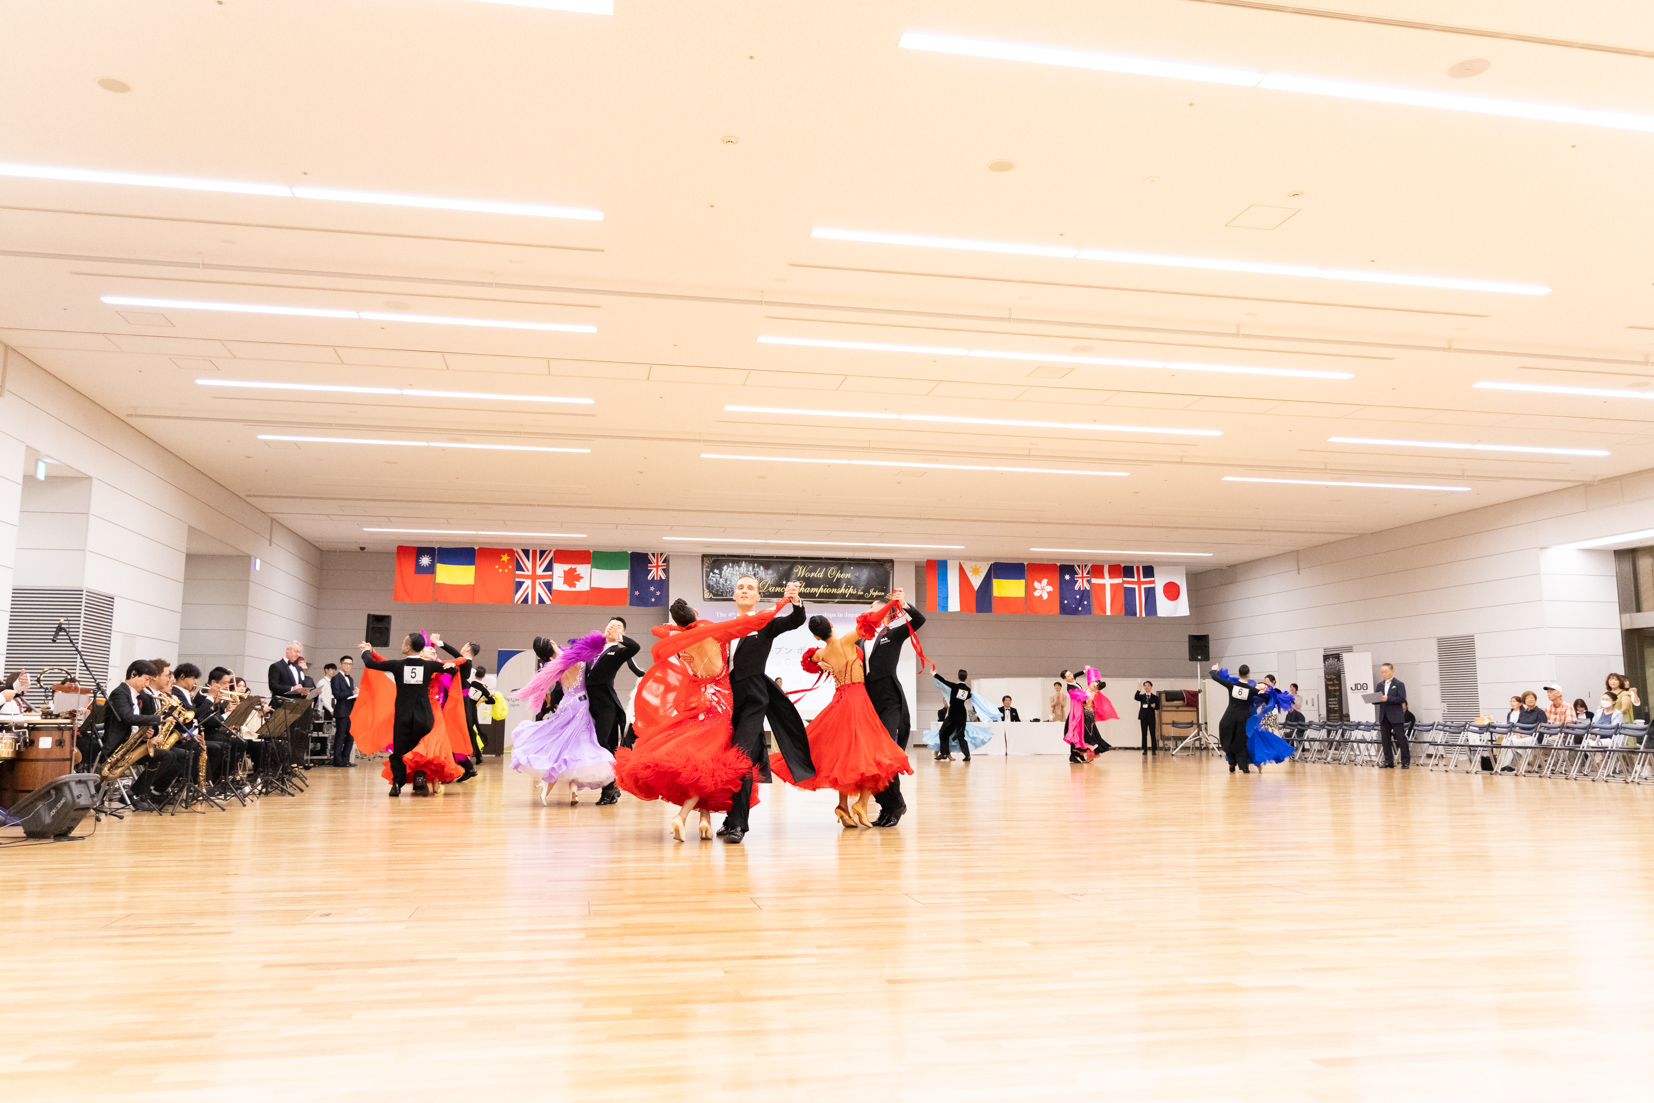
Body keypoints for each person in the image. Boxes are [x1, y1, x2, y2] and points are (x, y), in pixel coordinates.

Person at [618, 598, 778, 839]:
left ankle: (705, 820)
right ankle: (682, 816)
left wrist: (679, 628)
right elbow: (750, 624)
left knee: (700, 763)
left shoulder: (681, 640)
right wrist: (782, 602)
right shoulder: (713, 632)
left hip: (698, 705)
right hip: (720, 708)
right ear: (695, 612)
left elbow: (656, 630)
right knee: (708, 766)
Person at [770, 610, 913, 828]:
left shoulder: (822, 653)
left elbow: (807, 660)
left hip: (838, 702)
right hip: (857, 701)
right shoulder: (846, 641)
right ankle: (861, 804)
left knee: (844, 755)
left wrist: (819, 663)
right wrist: (893, 604)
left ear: (816, 636)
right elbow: (870, 622)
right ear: (830, 623)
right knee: (871, 753)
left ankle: (843, 806)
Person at [722, 576, 814, 844]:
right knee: (724, 760)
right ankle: (730, 817)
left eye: (750, 588)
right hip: (726, 702)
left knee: (741, 757)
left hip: (753, 700)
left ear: (757, 597)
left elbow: (795, 620)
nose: (744, 591)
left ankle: (738, 825)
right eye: (740, 587)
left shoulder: (764, 623)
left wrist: (795, 600)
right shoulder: (725, 629)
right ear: (733, 595)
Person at [510, 634, 616, 804]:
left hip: (566, 703)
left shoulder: (554, 663)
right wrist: (606, 637)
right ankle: (555, 784)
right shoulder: (570, 657)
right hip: (579, 704)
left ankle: (572, 788)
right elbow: (591, 648)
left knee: (568, 744)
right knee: (578, 743)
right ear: (551, 642)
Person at [357, 634, 457, 797]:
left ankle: (397, 784)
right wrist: (451, 665)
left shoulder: (398, 665)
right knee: (420, 748)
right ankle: (419, 778)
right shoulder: (430, 665)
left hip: (403, 715)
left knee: (399, 751)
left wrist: (366, 651)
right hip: (425, 716)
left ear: (408, 647)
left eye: (404, 642)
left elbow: (370, 663)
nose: (402, 644)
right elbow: (453, 670)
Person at [859, 589, 924, 827]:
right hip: (868, 703)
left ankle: (896, 805)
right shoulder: (859, 639)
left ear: (887, 613)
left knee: (886, 754)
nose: (870, 612)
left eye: (875, 608)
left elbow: (919, 620)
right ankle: (886, 806)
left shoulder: (893, 634)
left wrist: (903, 603)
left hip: (890, 701)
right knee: (870, 758)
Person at [579, 618, 641, 806]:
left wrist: (619, 637)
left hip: (607, 705)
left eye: (618, 626)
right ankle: (611, 787)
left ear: (622, 632)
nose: (613, 627)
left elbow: (635, 647)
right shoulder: (593, 650)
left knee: (603, 743)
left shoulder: (619, 651)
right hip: (588, 704)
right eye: (610, 624)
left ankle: (610, 787)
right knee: (591, 743)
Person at [1209, 663, 1258, 773]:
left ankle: (1231, 763)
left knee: (1228, 738)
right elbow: (1266, 696)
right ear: (1249, 675)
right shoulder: (1252, 690)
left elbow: (1215, 677)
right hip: (1243, 718)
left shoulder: (1232, 685)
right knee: (1241, 741)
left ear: (1238, 674)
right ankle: (1244, 767)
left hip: (1229, 716)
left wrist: (1215, 670)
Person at [1374, 662, 1410, 770]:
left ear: (1392, 671)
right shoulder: (1380, 685)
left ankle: (1405, 761)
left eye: (1386, 672)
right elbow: (1376, 699)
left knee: (1401, 738)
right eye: (1382, 672)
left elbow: (1402, 698)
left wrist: (1388, 698)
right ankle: (1388, 761)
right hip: (1384, 715)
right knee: (1385, 739)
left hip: (1395, 715)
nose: (1384, 674)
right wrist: (1373, 699)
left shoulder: (1399, 684)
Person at [933, 668, 972, 762]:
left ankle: (944, 753)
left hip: (954, 713)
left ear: (958, 676)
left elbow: (944, 681)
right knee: (960, 735)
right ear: (966, 678)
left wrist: (934, 674)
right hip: (962, 714)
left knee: (943, 732)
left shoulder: (955, 686)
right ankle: (967, 755)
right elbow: (967, 697)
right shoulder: (967, 689)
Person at [330, 657, 356, 767]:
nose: (348, 666)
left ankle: (346, 759)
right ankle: (338, 760)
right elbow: (337, 694)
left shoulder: (350, 679)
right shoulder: (336, 678)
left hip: (350, 711)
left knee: (351, 736)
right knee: (340, 736)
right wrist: (352, 693)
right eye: (346, 663)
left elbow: (350, 695)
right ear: (341, 664)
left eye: (350, 664)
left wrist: (356, 695)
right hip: (341, 711)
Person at [1084, 677, 1117, 754]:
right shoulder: (1089, 690)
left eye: (1094, 686)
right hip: (1086, 713)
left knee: (1089, 733)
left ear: (1096, 689)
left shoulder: (1091, 694)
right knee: (1090, 733)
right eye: (1092, 683)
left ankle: (1093, 748)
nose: (1091, 685)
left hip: (1087, 714)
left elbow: (1086, 704)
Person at [1133, 681, 1159, 755]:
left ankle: (1153, 749)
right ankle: (1144, 749)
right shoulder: (1142, 696)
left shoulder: (1155, 697)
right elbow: (1136, 697)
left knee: (1152, 733)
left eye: (1148, 686)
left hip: (1151, 717)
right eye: (1145, 686)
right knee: (1144, 734)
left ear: (1151, 687)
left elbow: (1158, 707)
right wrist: (1138, 689)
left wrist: (1154, 706)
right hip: (1143, 717)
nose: (1146, 687)